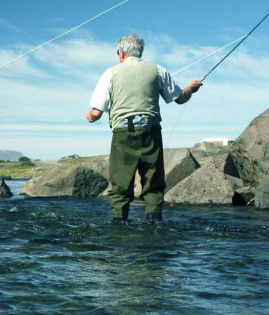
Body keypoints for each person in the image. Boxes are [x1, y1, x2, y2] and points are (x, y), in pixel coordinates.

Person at [86, 34, 202, 223]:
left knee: (120, 184)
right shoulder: (158, 70)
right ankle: (154, 223)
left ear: (121, 53)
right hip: (152, 133)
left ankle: (119, 223)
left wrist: (89, 116)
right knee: (154, 183)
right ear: (140, 52)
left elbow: (96, 113)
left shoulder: (110, 73)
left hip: (123, 135)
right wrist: (191, 88)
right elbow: (180, 98)